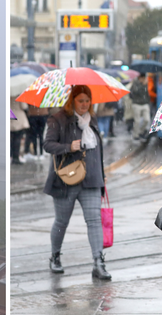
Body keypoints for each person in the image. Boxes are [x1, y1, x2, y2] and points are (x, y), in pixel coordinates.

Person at [43, 85, 111, 280]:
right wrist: (68, 146)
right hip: (66, 179)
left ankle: (98, 262)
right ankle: (55, 256)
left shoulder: (93, 119)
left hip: (91, 179)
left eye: (87, 101)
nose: (84, 104)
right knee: (62, 222)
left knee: (94, 220)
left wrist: (102, 173)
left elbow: (98, 150)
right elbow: (47, 145)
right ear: (72, 100)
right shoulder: (58, 119)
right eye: (80, 100)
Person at [130, 72, 151, 140]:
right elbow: (135, 92)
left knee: (147, 119)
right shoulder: (135, 83)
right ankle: (136, 135)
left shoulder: (147, 83)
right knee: (137, 121)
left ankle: (141, 132)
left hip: (145, 103)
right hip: (136, 103)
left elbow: (147, 93)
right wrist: (142, 85)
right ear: (140, 78)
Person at [10, 97, 29, 165]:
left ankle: (11, 156)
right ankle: (16, 157)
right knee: (17, 138)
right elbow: (24, 106)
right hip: (18, 117)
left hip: (10, 116)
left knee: (11, 139)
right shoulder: (19, 96)